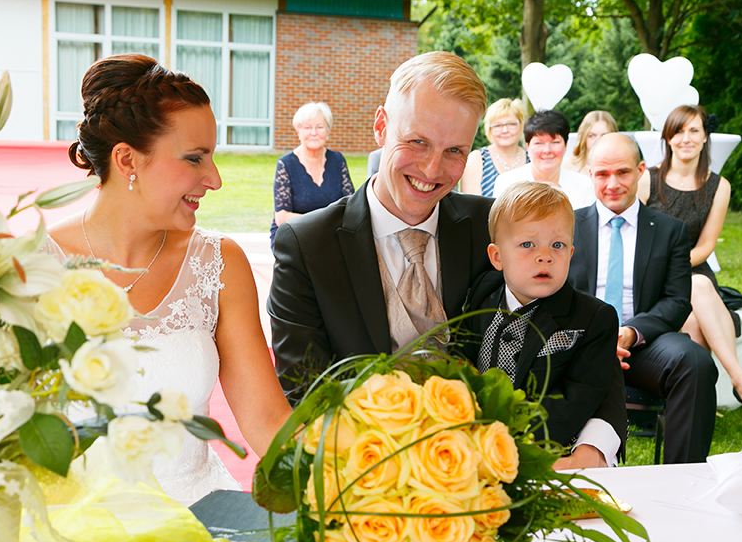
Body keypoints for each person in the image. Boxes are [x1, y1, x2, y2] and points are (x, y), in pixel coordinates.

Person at [268, 51, 606, 470]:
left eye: (454, 150)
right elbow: (308, 392)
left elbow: (579, 324)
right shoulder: (306, 244)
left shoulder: (494, 225)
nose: (432, 169)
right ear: (381, 127)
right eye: (417, 142)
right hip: (366, 472)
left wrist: (593, 448)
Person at [47, 54, 291, 504]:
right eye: (195, 158)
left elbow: (267, 422)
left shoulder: (220, 263)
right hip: (77, 531)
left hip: (199, 521)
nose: (214, 179)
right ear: (127, 160)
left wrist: (360, 491)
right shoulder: (34, 267)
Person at [570, 133, 719, 464]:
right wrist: (597, 336)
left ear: (640, 171)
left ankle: (682, 476)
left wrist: (630, 332)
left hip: (642, 345)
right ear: (590, 174)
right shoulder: (568, 226)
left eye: (622, 172)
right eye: (602, 174)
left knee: (694, 362)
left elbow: (677, 301)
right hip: (579, 343)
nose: (613, 183)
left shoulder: (670, 231)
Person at [464, 182, 626, 465]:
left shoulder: (592, 317)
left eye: (558, 245)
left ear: (571, 254)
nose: (545, 255)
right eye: (528, 244)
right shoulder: (479, 297)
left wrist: (511, 443)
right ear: (497, 257)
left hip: (549, 453)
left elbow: (578, 397)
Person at [639, 105, 742, 413]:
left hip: (691, 267)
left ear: (705, 137)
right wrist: (663, 269)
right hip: (650, 271)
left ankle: (688, 406)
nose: (685, 138)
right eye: (678, 131)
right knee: (696, 293)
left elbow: (706, 245)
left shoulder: (719, 186)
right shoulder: (647, 180)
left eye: (694, 131)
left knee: (696, 300)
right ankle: (736, 382)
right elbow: (636, 236)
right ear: (667, 138)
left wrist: (675, 268)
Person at [270, 102, 355, 249]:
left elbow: (351, 206)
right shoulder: (286, 163)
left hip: (330, 233)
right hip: (295, 233)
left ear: (328, 130)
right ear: (298, 131)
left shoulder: (338, 160)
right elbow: (282, 217)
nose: (314, 133)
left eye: (320, 127)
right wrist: (323, 222)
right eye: (308, 127)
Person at [493, 110, 595, 208]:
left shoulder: (584, 185)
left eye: (555, 142)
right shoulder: (506, 183)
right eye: (539, 143)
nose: (547, 150)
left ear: (566, 145)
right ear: (528, 146)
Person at [460, 98, 528, 197]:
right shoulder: (478, 159)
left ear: (521, 125)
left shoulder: (532, 157)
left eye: (511, 124)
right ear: (489, 129)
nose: (505, 130)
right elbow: (471, 206)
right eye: (498, 126)